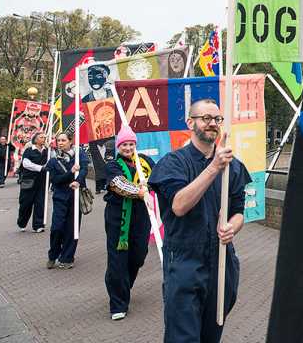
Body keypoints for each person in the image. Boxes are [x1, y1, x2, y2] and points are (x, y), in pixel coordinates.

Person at [148, 99, 250, 343]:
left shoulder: (233, 168)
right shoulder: (174, 163)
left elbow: (238, 212)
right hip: (185, 262)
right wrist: (214, 167)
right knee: (182, 337)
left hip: (222, 262)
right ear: (190, 122)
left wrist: (231, 227)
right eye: (205, 118)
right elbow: (179, 205)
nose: (212, 124)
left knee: (211, 334)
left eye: (216, 119)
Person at [104, 124, 155, 320]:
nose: (128, 148)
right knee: (118, 259)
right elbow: (117, 184)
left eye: (131, 144)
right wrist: (140, 191)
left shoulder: (145, 162)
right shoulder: (113, 165)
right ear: (118, 146)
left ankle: (121, 285)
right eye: (124, 144)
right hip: (119, 217)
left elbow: (158, 176)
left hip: (141, 216)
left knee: (138, 255)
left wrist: (149, 184)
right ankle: (118, 303)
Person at [46, 133, 88, 269]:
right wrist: (70, 173)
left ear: (70, 141)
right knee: (57, 228)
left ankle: (67, 257)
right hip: (60, 197)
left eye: (63, 140)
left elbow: (84, 169)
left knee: (72, 228)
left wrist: (77, 181)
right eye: (58, 140)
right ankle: (53, 254)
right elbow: (55, 180)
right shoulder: (53, 160)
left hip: (75, 197)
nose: (60, 143)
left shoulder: (79, 154)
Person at [17, 132, 48, 233]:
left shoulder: (47, 151)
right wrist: (40, 168)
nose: (43, 139)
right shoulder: (29, 150)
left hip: (42, 181)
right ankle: (22, 222)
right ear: (35, 139)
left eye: (44, 137)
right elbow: (26, 164)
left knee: (40, 202)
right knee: (26, 203)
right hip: (29, 181)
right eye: (41, 137)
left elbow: (52, 161)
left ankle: (38, 225)